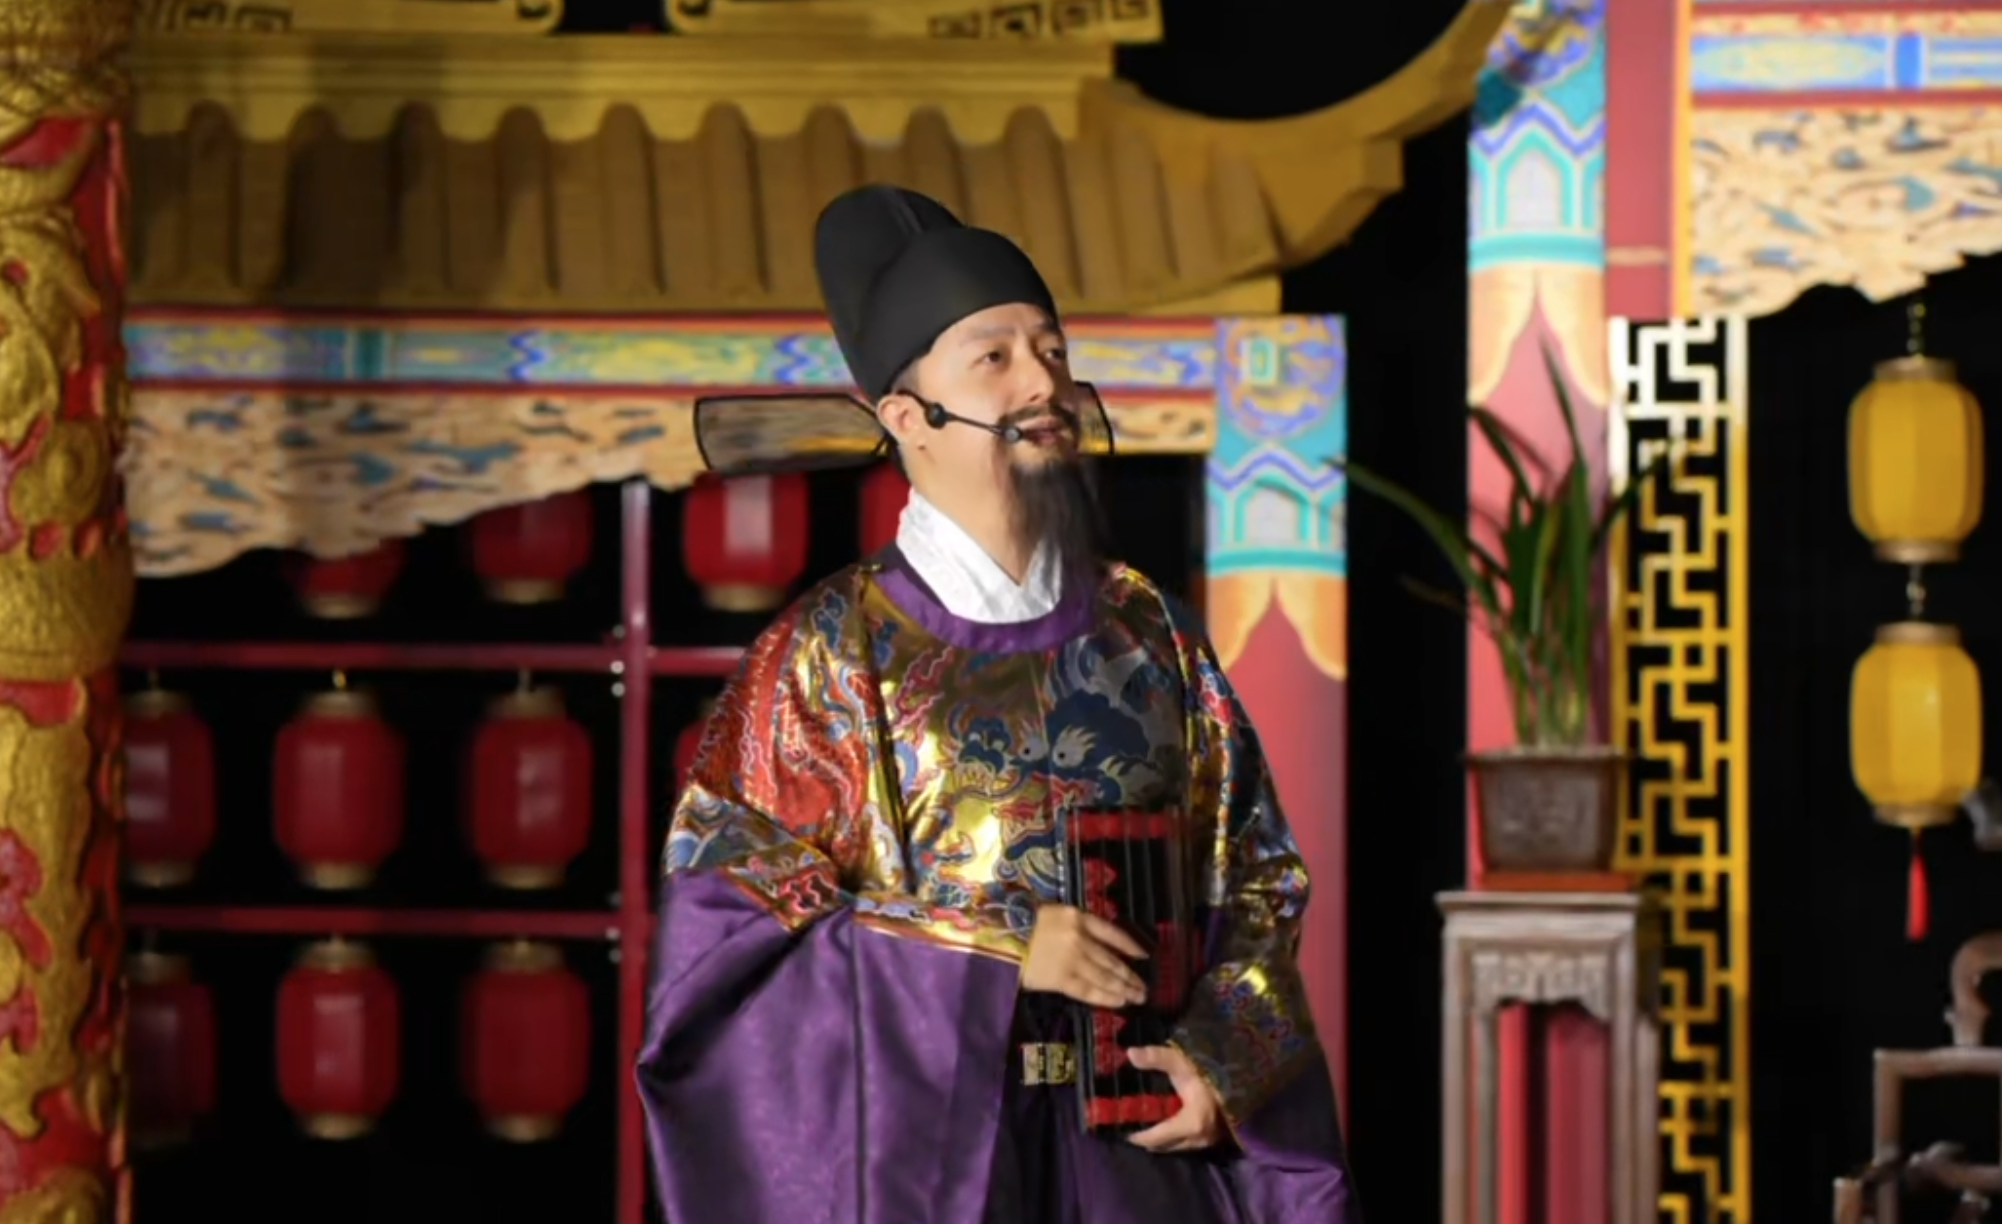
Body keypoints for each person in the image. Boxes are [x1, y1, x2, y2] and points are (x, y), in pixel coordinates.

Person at [636, 184, 1358, 1224]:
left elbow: (1255, 877)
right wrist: (1002, 946)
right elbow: (734, 943)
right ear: (906, 418)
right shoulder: (826, 657)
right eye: (995, 357)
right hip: (934, 1170)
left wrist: (1223, 1062)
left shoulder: (1149, 633)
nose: (1043, 382)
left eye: (1052, 350)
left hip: (1140, 1160)